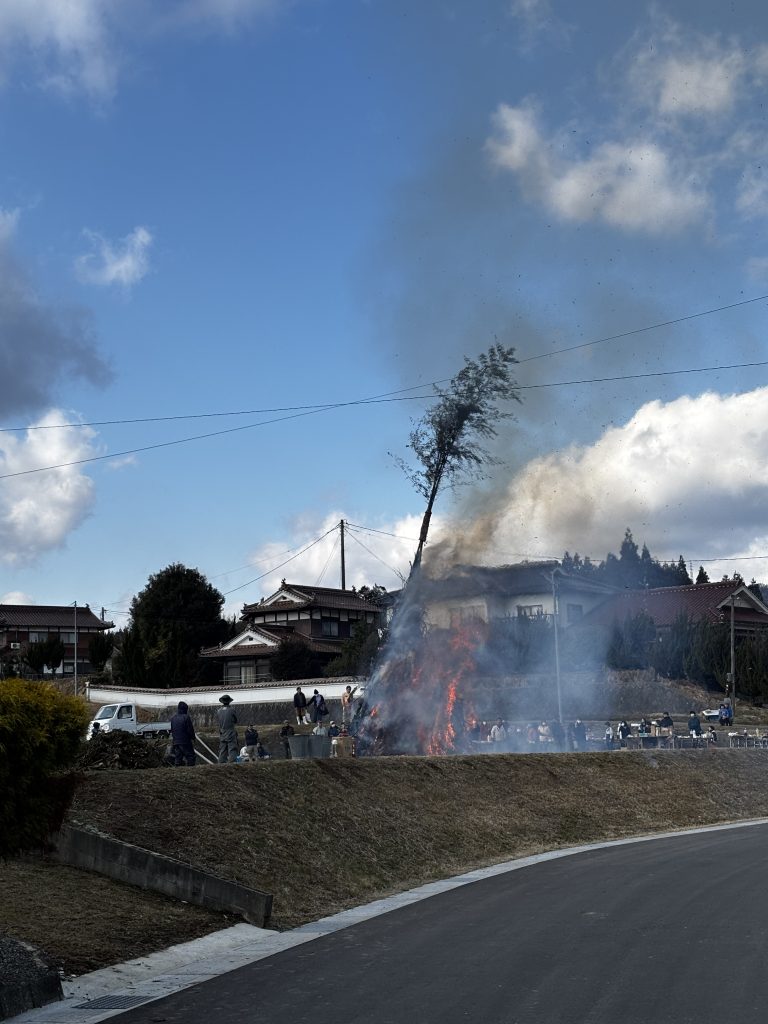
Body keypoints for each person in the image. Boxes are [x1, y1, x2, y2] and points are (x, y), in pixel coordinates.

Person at [170, 700, 196, 766]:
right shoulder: (186, 717)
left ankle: (177, 772)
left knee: (178, 758)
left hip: (176, 742)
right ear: (185, 709)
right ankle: (191, 771)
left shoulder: (173, 718)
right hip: (185, 741)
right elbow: (190, 730)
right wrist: (193, 738)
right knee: (190, 756)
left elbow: (172, 730)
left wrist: (174, 740)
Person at [217, 694, 239, 764]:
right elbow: (235, 720)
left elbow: (218, 721)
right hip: (230, 731)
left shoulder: (219, 711)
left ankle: (221, 762)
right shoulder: (231, 710)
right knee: (232, 748)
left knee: (223, 749)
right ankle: (232, 762)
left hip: (222, 731)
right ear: (229, 701)